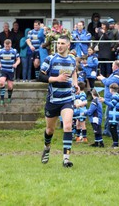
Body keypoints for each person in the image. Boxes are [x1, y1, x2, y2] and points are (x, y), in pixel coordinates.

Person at [39, 35, 78, 168]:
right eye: (58, 43)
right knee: (50, 129)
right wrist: (57, 79)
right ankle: (47, 147)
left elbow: (74, 72)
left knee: (67, 126)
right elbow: (40, 76)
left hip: (67, 98)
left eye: (62, 43)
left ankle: (66, 159)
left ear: (68, 45)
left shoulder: (72, 59)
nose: (59, 46)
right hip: (53, 99)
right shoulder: (50, 59)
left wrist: (76, 84)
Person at [0, 39, 20, 105]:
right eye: (6, 46)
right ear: (4, 44)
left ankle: (9, 97)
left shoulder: (14, 51)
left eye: (8, 46)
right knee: (1, 82)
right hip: (3, 69)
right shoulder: (0, 51)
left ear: (10, 44)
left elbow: (18, 59)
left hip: (10, 70)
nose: (7, 48)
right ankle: (2, 99)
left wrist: (16, 64)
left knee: (10, 86)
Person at [104, 83, 119, 148]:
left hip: (114, 115)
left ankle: (115, 144)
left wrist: (104, 101)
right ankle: (115, 143)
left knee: (113, 129)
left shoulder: (114, 96)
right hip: (115, 115)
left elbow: (112, 104)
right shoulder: (117, 96)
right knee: (113, 129)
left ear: (111, 89)